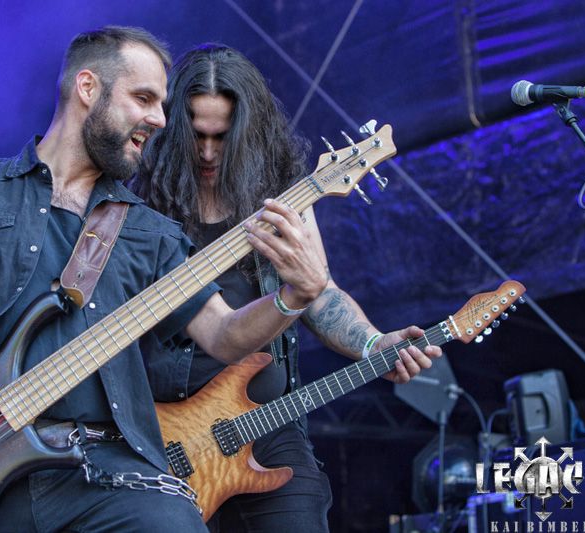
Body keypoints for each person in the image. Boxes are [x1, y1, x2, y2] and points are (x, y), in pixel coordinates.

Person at [0, 28, 331, 532]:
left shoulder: (151, 234)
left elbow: (223, 334)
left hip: (100, 473)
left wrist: (294, 296)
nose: (160, 119)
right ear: (88, 88)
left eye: (161, 104)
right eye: (143, 98)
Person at [132, 44, 442, 532]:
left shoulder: (281, 194)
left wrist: (372, 343)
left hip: (264, 422)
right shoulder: (140, 200)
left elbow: (317, 290)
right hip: (161, 429)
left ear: (246, 131)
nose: (208, 153)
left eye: (222, 137)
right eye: (197, 136)